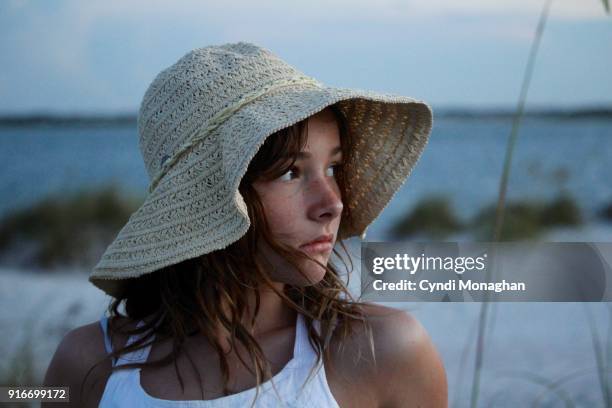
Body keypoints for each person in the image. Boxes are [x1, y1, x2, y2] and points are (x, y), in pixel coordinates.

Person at [43, 42, 447, 407]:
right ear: (208, 198)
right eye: (291, 172)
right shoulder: (86, 367)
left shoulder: (385, 353)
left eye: (333, 167)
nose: (333, 203)